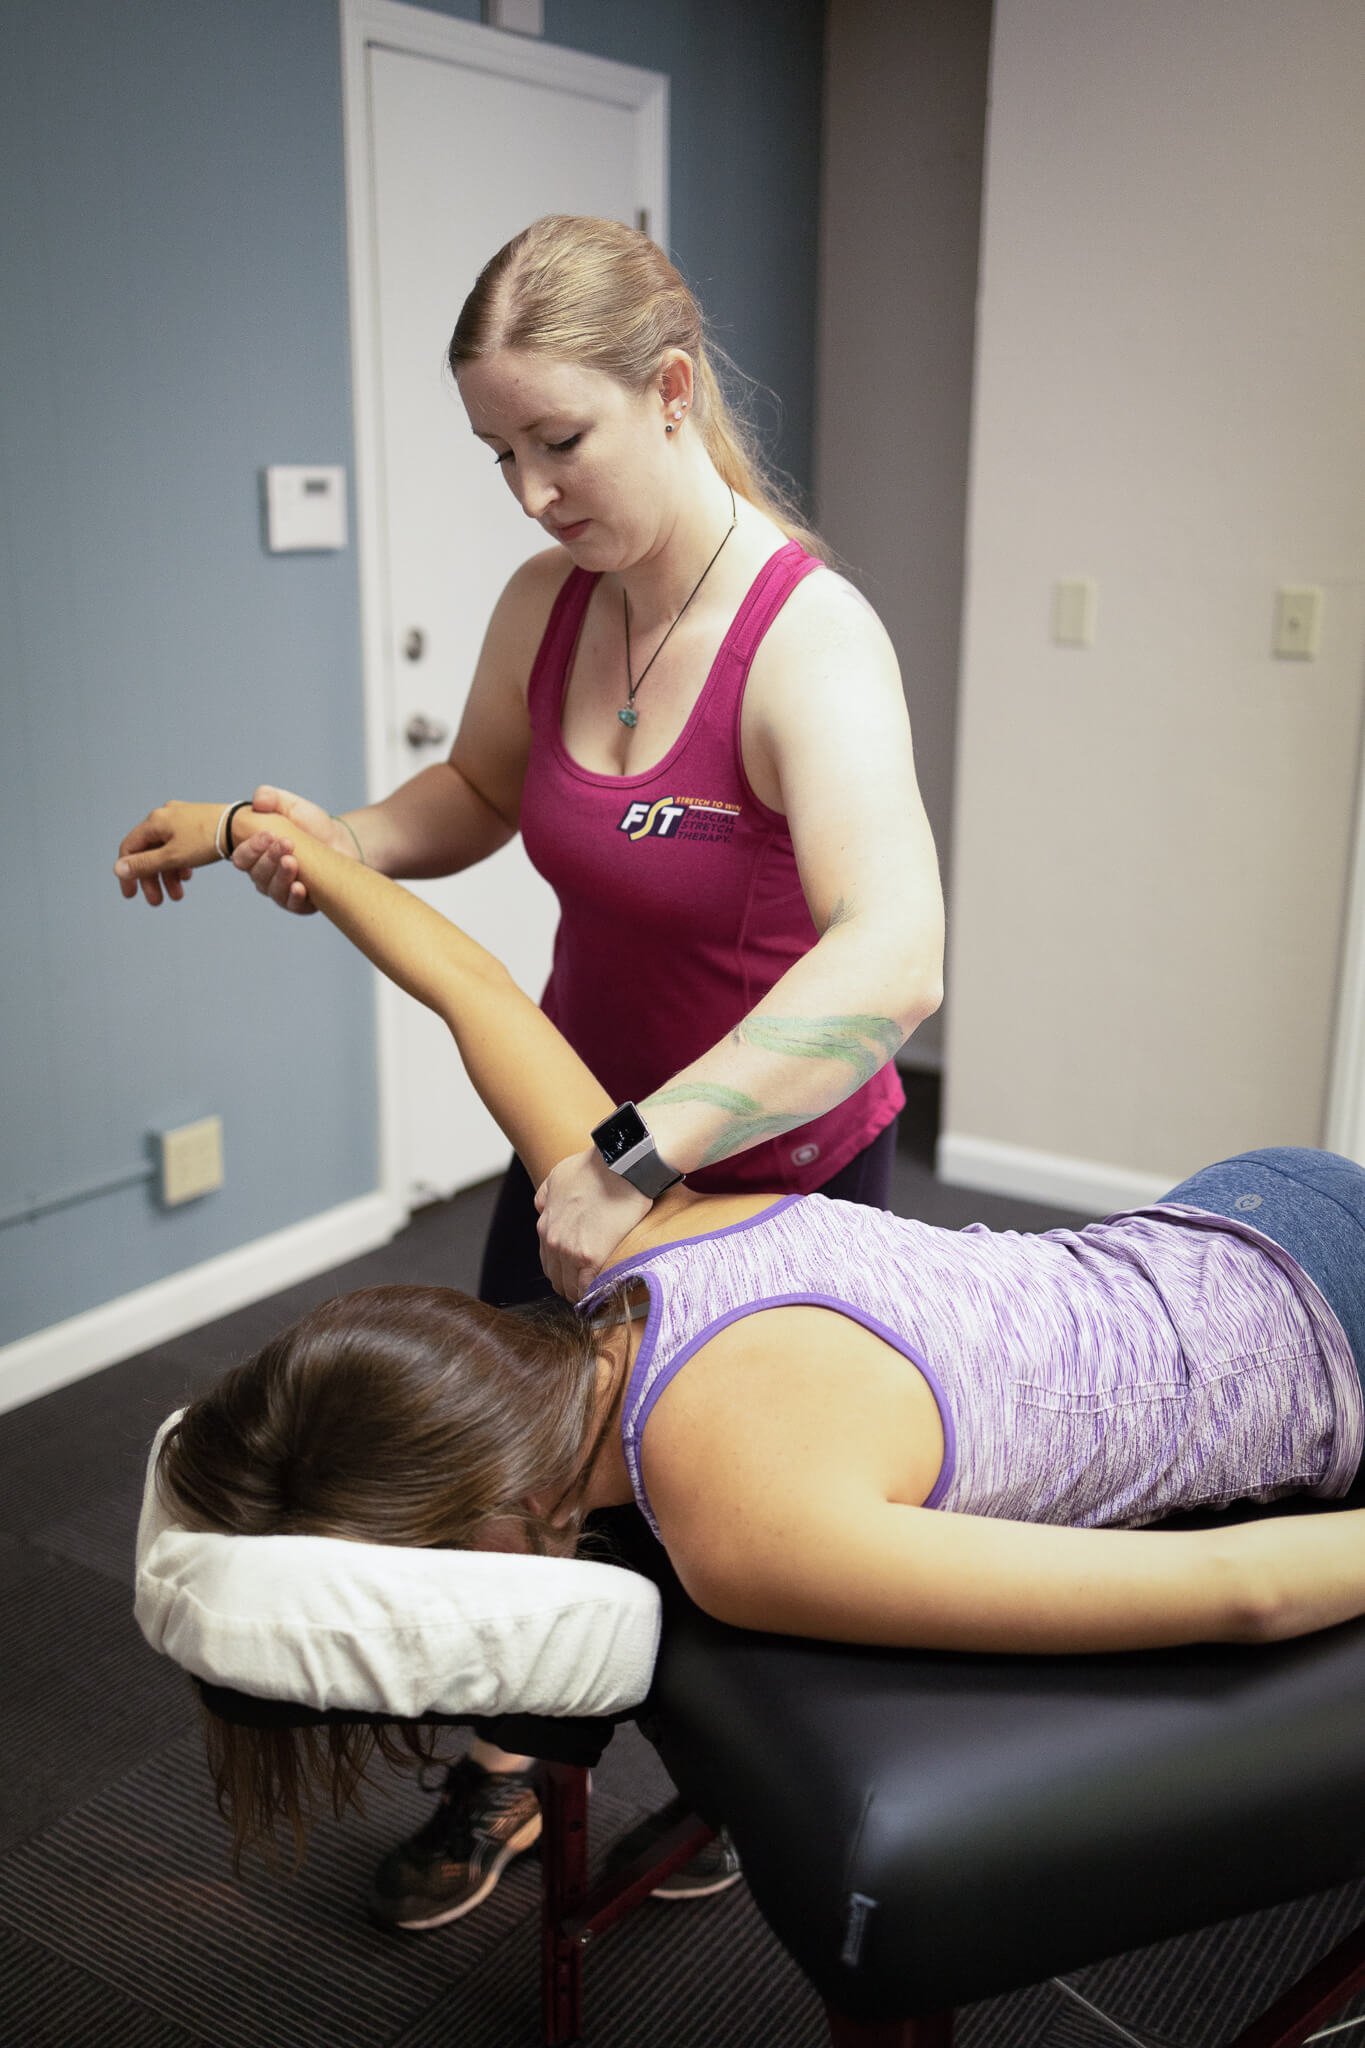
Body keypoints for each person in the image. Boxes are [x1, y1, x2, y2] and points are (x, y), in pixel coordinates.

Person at [114, 216, 945, 1924]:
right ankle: (505, 1771)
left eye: (558, 441)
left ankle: (724, 1787)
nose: (531, 493)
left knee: (716, 1515)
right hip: (570, 1133)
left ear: (671, 390)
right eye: (499, 455)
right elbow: (480, 795)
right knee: (510, 1484)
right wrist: (340, 841)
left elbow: (894, 958)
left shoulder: (809, 638)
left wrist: (645, 1153)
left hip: (763, 1175)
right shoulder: (548, 607)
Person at [119, 803, 1365, 1868]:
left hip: (1334, 1346)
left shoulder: (736, 1530)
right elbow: (472, 987)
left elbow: (1242, 1591)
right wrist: (265, 837)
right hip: (1241, 1206)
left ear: (480, 1531)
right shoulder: (619, 1225)